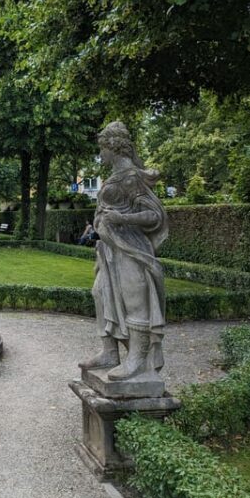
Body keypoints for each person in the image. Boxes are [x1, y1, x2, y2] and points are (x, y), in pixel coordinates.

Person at [79, 121, 168, 381]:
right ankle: (110, 352)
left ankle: (138, 359)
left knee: (134, 298)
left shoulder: (130, 177)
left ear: (113, 146)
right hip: (109, 249)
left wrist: (121, 219)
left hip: (129, 247)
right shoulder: (116, 176)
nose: (101, 154)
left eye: (102, 148)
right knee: (100, 292)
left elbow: (154, 215)